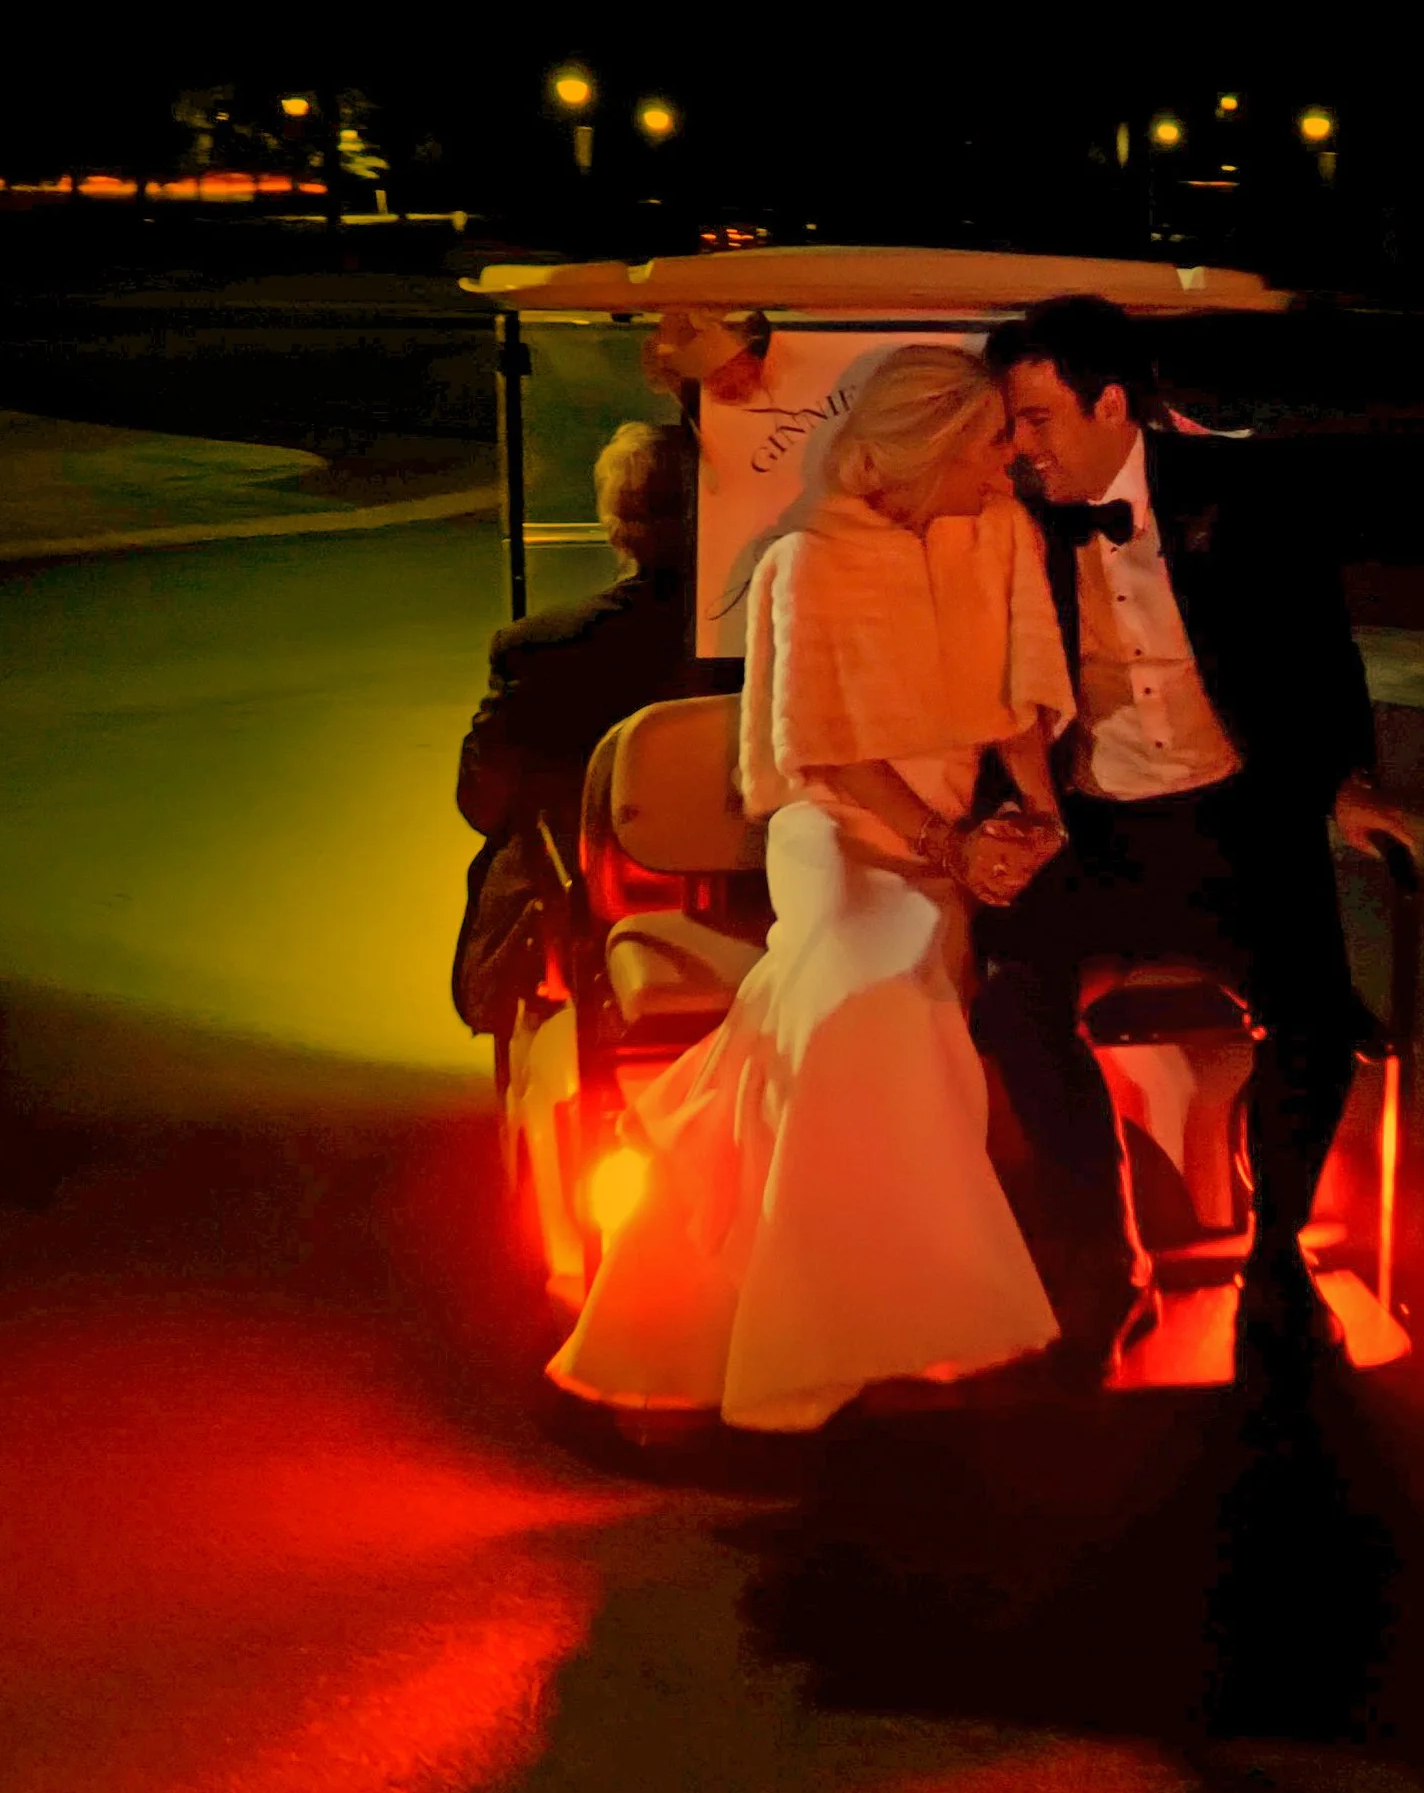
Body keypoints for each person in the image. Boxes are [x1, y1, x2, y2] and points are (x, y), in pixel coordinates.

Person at [546, 347, 1078, 1432]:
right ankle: (878, 1321)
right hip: (838, 826)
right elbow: (822, 752)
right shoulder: (806, 562)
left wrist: (1035, 816)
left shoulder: (1000, 534)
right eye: (987, 444)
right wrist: (949, 845)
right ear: (926, 449)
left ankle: (870, 1308)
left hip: (957, 826)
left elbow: (1025, 693)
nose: (1007, 464)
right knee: (863, 984)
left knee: (890, 984)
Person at [972, 295, 1411, 1390]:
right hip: (1097, 826)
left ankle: (1276, 1257)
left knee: (1312, 1014)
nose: (1018, 447)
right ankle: (1100, 1245)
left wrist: (1346, 785)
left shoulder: (1241, 493)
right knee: (1014, 1002)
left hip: (1234, 814)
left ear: (1110, 403)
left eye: (1035, 420)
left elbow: (1322, 650)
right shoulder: (1008, 519)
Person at [452, 421, 716, 1045]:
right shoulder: (759, 638)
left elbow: (481, 801)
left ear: (614, 522)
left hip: (585, 902)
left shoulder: (540, 648)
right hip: (735, 894)